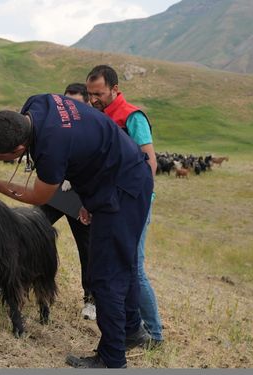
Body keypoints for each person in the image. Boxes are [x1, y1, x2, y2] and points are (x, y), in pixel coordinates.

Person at [0, 94, 153, 368]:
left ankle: (112, 359)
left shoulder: (52, 149)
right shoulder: (36, 104)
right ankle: (131, 329)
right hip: (116, 175)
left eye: (7, 154)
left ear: (19, 147)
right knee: (121, 263)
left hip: (123, 190)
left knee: (105, 275)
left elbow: (39, 196)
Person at [86, 65, 163, 348]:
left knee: (133, 267)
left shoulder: (133, 117)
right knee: (124, 266)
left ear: (115, 89)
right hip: (113, 204)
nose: (93, 99)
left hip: (134, 205)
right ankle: (135, 330)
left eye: (99, 94)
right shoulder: (100, 118)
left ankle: (154, 334)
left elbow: (150, 163)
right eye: (90, 94)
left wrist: (136, 204)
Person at [39, 82, 95, 320]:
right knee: (33, 227)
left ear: (88, 103)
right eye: (67, 103)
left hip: (83, 196)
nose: (71, 108)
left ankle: (91, 300)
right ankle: (11, 279)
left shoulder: (96, 127)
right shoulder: (59, 125)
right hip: (57, 190)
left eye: (77, 103)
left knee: (88, 249)